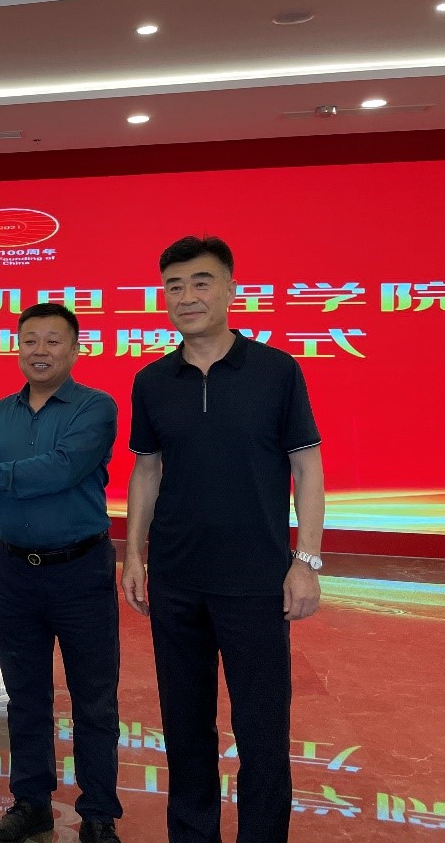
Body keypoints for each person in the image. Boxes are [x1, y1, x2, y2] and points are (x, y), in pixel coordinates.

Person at [122, 235, 324, 843]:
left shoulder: (276, 370)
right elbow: (146, 470)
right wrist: (133, 554)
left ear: (232, 290)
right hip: (177, 579)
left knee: (262, 730)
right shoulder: (152, 380)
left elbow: (307, 466)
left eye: (201, 282)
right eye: (174, 286)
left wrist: (306, 560)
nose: (187, 296)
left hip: (256, 581)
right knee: (184, 727)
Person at [0, 302, 123, 843]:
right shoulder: (2, 411)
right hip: (17, 574)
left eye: (53, 341)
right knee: (25, 696)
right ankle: (31, 803)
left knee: (94, 700)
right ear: (17, 348)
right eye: (30, 341)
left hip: (80, 573)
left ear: (75, 349)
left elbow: (61, 469)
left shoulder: (95, 407)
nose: (40, 351)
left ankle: (98, 815)